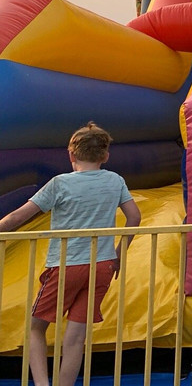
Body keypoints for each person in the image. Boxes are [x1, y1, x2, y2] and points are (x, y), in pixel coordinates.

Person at [0, 122, 141, 386]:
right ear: (105, 155)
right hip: (102, 265)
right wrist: (120, 252)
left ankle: (42, 383)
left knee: (36, 328)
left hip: (66, 265)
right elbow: (134, 216)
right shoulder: (115, 180)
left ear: (71, 154)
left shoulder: (59, 184)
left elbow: (19, 216)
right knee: (76, 336)